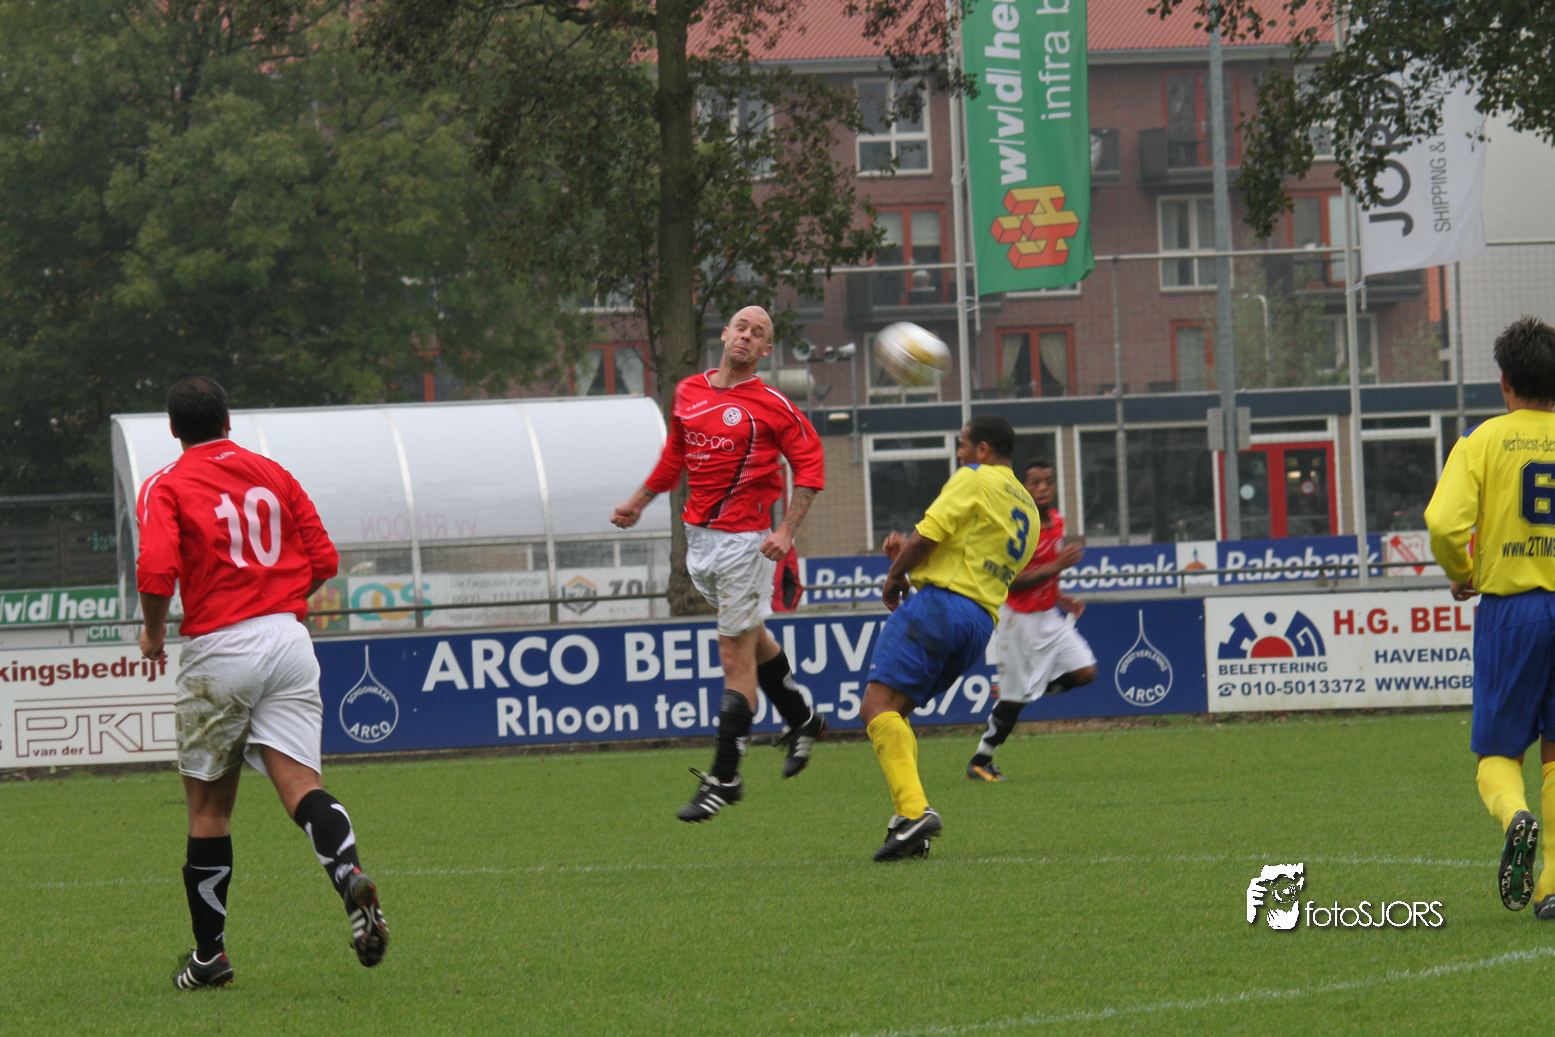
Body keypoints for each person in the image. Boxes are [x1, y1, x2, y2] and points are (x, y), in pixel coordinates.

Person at [138, 376, 387, 989]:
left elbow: (156, 569)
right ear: (228, 420)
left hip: (220, 647)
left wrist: (153, 633)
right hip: (288, 639)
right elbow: (323, 559)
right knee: (303, 787)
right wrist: (277, 603)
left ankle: (210, 959)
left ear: (173, 429)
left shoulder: (166, 483)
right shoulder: (273, 473)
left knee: (208, 811)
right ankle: (349, 875)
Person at [611, 305, 827, 822]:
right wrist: (639, 501)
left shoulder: (772, 404)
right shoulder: (689, 391)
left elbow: (811, 467)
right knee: (751, 636)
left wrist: (786, 530)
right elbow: (675, 456)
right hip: (700, 541)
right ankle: (802, 717)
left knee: (734, 657)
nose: (747, 336)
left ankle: (725, 776)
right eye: (741, 327)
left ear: (766, 350)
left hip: (746, 545)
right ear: (725, 334)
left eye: (759, 333)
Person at [863, 414, 1037, 861]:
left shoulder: (975, 477)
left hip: (941, 607)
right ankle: (909, 826)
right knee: (896, 712)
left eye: (962, 445)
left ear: (983, 449)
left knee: (876, 708)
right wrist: (913, 563)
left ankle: (914, 813)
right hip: (979, 625)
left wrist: (896, 572)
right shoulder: (1029, 511)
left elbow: (928, 535)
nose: (959, 453)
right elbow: (972, 563)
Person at [1425, 315, 1555, 918]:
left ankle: (1515, 814)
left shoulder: (1481, 441)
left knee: (1498, 750)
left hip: (1513, 610)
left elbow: (1443, 523)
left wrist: (1464, 570)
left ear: (1505, 382)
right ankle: (1552, 886)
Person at [966, 457, 1097, 781]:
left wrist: (1060, 596)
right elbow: (1009, 581)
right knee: (1015, 699)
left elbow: (1046, 571)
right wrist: (1056, 567)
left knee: (1086, 671)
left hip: (1048, 616)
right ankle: (981, 760)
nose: (1043, 488)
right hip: (1017, 620)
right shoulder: (1016, 525)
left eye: (1048, 481)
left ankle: (1028, 689)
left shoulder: (1057, 521)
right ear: (1023, 487)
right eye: (1035, 482)